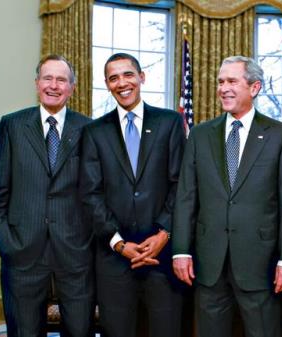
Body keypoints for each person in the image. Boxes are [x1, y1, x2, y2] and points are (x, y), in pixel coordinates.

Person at [172, 55, 282, 337]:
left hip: (260, 262)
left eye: (232, 81)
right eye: (220, 82)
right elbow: (186, 198)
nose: (223, 88)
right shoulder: (200, 135)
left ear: (254, 88)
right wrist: (181, 250)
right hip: (208, 263)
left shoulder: (281, 135)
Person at [0, 54, 93, 337]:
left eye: (61, 79)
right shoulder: (12, 126)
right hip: (22, 253)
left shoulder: (89, 130)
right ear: (37, 83)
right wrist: (7, 242)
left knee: (80, 331)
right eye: (48, 78)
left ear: (72, 87)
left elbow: (96, 193)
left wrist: (88, 241)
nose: (54, 85)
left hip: (75, 253)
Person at [79, 53, 185, 337]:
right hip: (114, 261)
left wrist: (163, 234)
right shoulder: (94, 131)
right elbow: (91, 194)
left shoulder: (170, 122)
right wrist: (119, 243)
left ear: (141, 78)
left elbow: (181, 184)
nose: (122, 83)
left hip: (162, 257)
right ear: (107, 84)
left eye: (128, 75)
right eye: (113, 78)